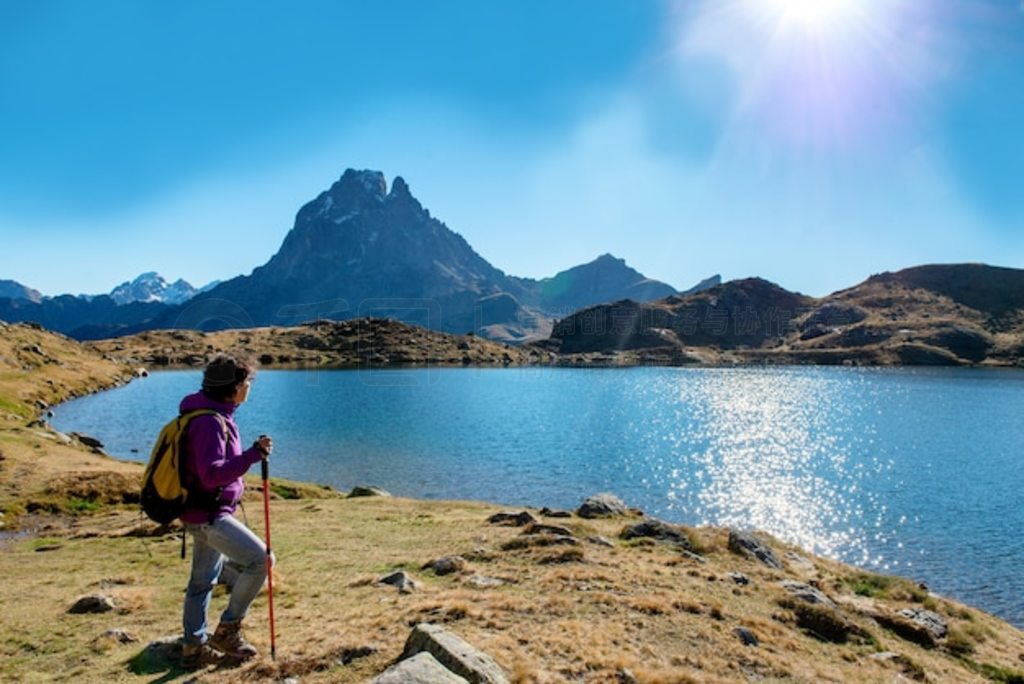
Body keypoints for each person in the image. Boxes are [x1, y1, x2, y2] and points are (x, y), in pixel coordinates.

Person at [179, 354, 274, 669]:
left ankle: (193, 648)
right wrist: (251, 456)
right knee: (261, 560)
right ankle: (228, 629)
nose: (249, 387)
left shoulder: (210, 413)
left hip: (200, 513)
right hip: (210, 516)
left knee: (201, 582)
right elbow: (212, 474)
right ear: (233, 387)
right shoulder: (209, 422)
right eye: (246, 382)